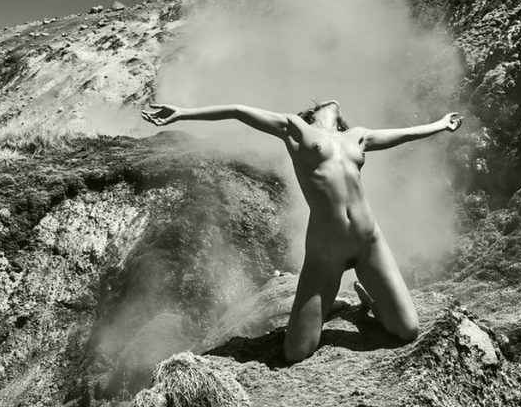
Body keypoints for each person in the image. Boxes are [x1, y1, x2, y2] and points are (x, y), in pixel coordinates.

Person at [140, 99, 462, 363]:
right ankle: (329, 306)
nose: (333, 101)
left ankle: (370, 306)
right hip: (326, 252)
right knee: (296, 351)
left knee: (407, 330)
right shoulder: (297, 129)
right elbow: (238, 111)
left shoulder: (357, 136)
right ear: (314, 112)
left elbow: (404, 134)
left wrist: (440, 125)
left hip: (368, 242)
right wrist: (183, 113)